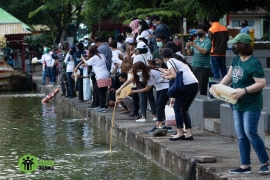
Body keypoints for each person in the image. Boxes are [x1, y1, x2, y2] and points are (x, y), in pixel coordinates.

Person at [217, 33, 270, 174]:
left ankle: (266, 162)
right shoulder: (236, 59)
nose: (233, 46)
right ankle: (245, 165)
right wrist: (219, 87)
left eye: (235, 44)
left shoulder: (254, 63)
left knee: (250, 132)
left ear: (242, 45)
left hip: (251, 104)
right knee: (241, 135)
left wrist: (245, 91)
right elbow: (229, 75)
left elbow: (261, 83)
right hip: (237, 103)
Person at [159, 48, 198, 141]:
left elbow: (175, 75)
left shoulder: (170, 61)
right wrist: (165, 72)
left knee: (177, 108)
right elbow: (176, 72)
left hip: (187, 85)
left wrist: (166, 77)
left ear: (164, 57)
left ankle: (180, 132)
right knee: (184, 109)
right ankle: (188, 133)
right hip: (194, 84)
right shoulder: (178, 59)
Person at [186, 24, 212, 95]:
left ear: (204, 32)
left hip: (203, 67)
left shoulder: (208, 41)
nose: (198, 33)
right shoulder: (195, 41)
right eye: (197, 32)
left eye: (200, 32)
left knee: (202, 87)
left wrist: (194, 45)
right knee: (195, 86)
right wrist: (188, 47)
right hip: (194, 65)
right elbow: (190, 53)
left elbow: (204, 51)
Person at [83, 46, 110, 113]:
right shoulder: (102, 55)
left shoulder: (94, 58)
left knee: (100, 92)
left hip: (100, 76)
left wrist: (83, 59)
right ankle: (102, 106)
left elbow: (87, 63)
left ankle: (102, 107)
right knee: (104, 91)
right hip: (106, 74)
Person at [208, 15, 229, 80]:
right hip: (223, 52)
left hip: (214, 52)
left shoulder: (211, 29)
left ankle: (217, 83)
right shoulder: (224, 28)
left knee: (215, 70)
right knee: (223, 69)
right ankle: (226, 83)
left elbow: (209, 41)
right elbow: (227, 39)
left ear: (210, 21)